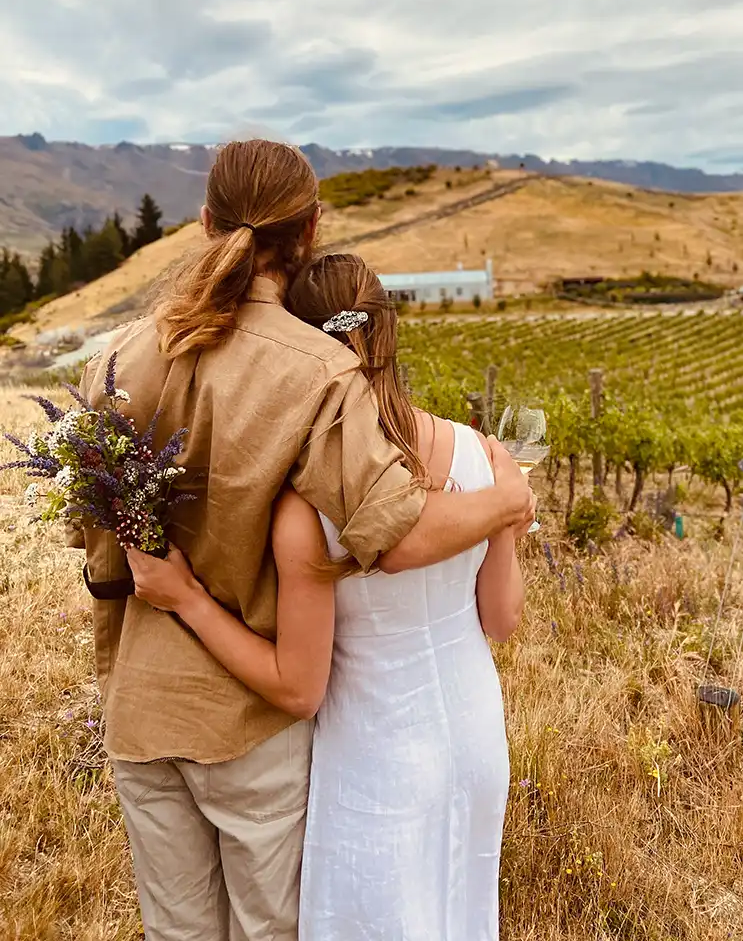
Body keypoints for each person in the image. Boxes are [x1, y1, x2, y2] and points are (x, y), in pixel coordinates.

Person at [68, 138, 534, 941]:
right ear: (311, 230)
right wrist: (504, 504)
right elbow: (391, 535)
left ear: (206, 221)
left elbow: (89, 535)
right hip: (248, 723)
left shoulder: (114, 359)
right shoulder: (318, 371)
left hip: (141, 706)